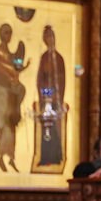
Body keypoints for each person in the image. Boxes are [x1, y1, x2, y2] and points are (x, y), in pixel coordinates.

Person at [0, 24, 27, 172]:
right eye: (6, 33)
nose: (9, 35)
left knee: (11, 123)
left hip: (10, 93)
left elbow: (15, 70)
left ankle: (11, 157)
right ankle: (1, 155)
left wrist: (22, 69)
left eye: (10, 33)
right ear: (1, 34)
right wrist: (11, 76)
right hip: (0, 92)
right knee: (2, 124)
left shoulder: (11, 55)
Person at [35, 26, 66, 166]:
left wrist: (58, 98)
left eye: (51, 36)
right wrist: (46, 96)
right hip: (47, 99)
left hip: (57, 99)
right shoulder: (44, 58)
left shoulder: (59, 58)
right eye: (47, 37)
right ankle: (46, 157)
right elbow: (41, 79)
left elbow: (62, 80)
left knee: (55, 128)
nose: (50, 40)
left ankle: (56, 156)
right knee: (46, 128)